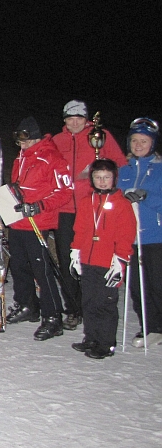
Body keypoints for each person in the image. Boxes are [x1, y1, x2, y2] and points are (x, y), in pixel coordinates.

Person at [52, 100, 126, 331]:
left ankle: (93, 306)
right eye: (70, 118)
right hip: (64, 209)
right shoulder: (57, 140)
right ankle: (73, 309)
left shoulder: (100, 136)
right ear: (64, 120)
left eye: (79, 118)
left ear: (86, 120)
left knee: (92, 260)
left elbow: (120, 165)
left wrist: (114, 191)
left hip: (94, 209)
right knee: (67, 260)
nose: (74, 123)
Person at [5, 116, 73, 340]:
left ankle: (53, 316)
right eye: (19, 141)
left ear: (35, 137)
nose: (22, 144)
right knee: (19, 266)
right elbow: (20, 186)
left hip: (37, 221)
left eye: (25, 140)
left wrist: (39, 206)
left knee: (41, 270)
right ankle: (27, 305)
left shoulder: (52, 157)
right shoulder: (21, 157)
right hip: (18, 220)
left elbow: (65, 191)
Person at [70, 159, 135, 359]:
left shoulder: (122, 204)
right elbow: (80, 229)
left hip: (108, 262)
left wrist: (120, 260)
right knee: (89, 301)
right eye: (98, 177)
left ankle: (106, 343)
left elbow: (126, 234)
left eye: (107, 177)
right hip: (88, 260)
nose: (102, 181)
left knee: (104, 303)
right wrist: (75, 252)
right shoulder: (86, 202)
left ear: (114, 178)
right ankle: (91, 337)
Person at [117, 117, 162, 348]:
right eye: (135, 140)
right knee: (136, 286)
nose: (138, 145)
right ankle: (150, 326)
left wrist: (147, 196)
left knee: (157, 284)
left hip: (155, 237)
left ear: (152, 143)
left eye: (144, 141)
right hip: (130, 237)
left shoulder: (160, 170)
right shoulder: (123, 171)